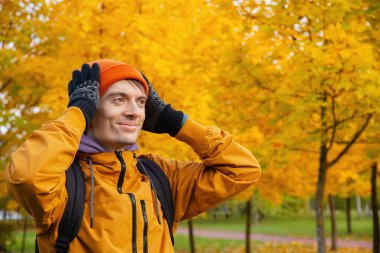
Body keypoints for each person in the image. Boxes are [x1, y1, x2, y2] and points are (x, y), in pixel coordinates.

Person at [5, 59, 261, 252]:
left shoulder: (160, 176)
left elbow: (243, 170)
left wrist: (175, 122)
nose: (135, 112)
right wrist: (77, 112)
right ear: (91, 109)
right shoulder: (62, 181)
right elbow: (27, 175)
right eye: (119, 99)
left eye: (141, 102)